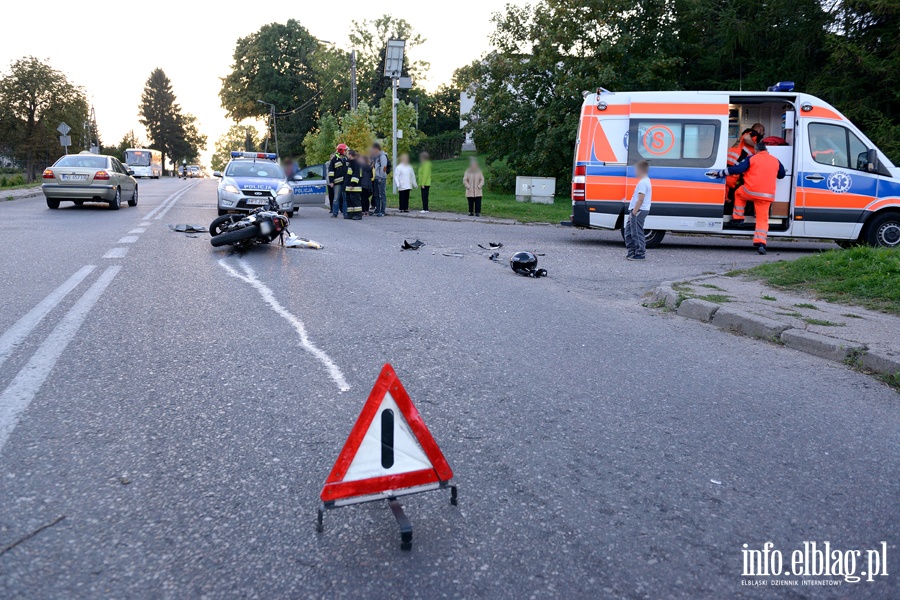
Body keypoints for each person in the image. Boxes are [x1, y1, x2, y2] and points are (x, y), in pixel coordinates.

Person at [713, 140, 786, 254]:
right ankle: (761, 244)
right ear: (766, 150)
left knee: (738, 193)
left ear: (756, 150)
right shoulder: (775, 160)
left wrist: (720, 173)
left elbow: (737, 169)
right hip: (766, 196)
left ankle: (738, 219)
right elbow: (781, 175)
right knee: (762, 219)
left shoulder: (752, 158)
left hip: (750, 191)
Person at [625, 160, 652, 261]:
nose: (635, 172)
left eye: (636, 169)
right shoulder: (644, 181)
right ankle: (631, 252)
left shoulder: (643, 182)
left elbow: (640, 199)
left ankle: (640, 253)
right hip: (636, 210)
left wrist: (634, 213)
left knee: (636, 232)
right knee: (628, 232)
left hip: (638, 210)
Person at [726, 129, 761, 199]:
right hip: (735, 168)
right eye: (763, 130)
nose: (764, 132)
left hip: (731, 166)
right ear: (759, 129)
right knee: (732, 190)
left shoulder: (741, 140)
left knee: (729, 189)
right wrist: (757, 146)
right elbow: (746, 138)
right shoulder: (753, 133)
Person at [328, 144, 349, 218]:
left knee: (345, 198)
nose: (347, 151)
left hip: (346, 182)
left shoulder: (347, 159)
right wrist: (331, 181)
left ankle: (345, 214)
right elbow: (331, 171)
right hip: (337, 183)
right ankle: (335, 213)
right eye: (345, 150)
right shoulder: (334, 160)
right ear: (342, 150)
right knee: (336, 198)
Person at [371, 143, 389, 217]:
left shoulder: (382, 156)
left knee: (382, 194)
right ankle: (377, 209)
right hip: (376, 177)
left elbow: (384, 167)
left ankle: (382, 210)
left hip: (381, 177)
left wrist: (381, 177)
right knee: (376, 194)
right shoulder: (376, 157)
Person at [344, 150, 363, 220]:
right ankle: (350, 214)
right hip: (349, 186)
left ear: (350, 155)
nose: (346, 155)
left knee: (356, 201)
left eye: (347, 154)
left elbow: (356, 174)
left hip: (355, 187)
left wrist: (352, 184)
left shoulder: (356, 163)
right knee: (349, 201)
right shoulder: (350, 163)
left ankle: (358, 215)